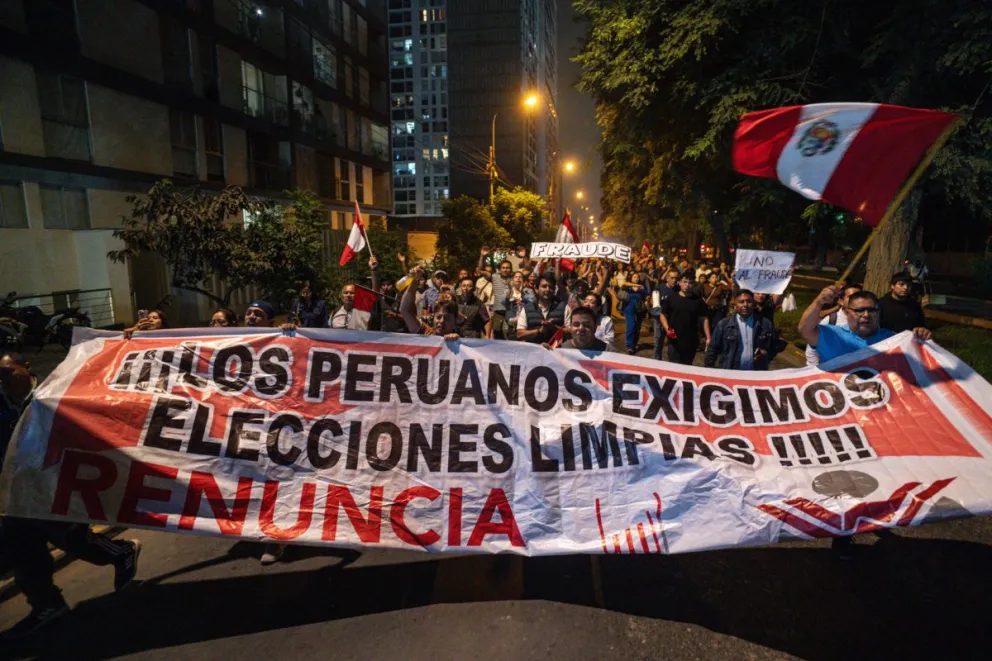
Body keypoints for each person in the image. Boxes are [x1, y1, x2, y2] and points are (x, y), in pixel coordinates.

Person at [1, 351, 141, 640]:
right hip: (19, 491)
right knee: (23, 549)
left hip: (57, 482)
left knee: (72, 538)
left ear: (26, 367)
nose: (3, 380)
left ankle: (121, 551)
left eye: (7, 372)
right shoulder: (1, 406)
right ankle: (46, 604)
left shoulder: (57, 392)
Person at [799, 286, 932, 364]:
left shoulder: (892, 340)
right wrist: (818, 302)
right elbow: (804, 329)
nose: (866, 315)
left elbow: (920, 362)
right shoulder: (831, 335)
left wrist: (922, 337)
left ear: (878, 312)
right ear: (846, 312)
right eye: (859, 310)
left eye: (872, 310)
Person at [704, 290, 780, 370]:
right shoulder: (724, 324)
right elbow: (712, 350)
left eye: (749, 301)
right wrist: (709, 371)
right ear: (735, 305)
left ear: (753, 303)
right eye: (741, 302)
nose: (745, 305)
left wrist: (766, 354)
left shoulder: (765, 323)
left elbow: (775, 346)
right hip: (731, 374)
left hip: (756, 375)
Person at [660, 273, 712, 365]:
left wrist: (708, 337)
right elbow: (663, 314)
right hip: (674, 339)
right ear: (679, 283)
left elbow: (705, 318)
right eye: (684, 282)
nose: (687, 285)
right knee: (674, 366)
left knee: (686, 367)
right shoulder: (672, 298)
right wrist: (667, 329)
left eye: (690, 283)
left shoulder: (698, 300)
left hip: (691, 340)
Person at [805, 284, 860, 367]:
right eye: (851, 297)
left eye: (859, 296)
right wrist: (814, 370)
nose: (856, 300)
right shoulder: (831, 320)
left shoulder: (866, 321)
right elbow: (811, 349)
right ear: (840, 301)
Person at [401, 267, 461, 339]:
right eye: (438, 317)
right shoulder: (427, 333)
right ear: (433, 317)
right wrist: (414, 281)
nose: (441, 321)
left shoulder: (463, 339)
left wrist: (457, 342)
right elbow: (405, 311)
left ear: (455, 320)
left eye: (447, 318)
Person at [517, 275, 571, 344]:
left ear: (554, 290)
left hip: (556, 352)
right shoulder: (527, 308)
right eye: (544, 286)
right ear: (536, 289)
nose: (547, 289)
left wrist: (554, 328)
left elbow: (570, 333)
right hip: (533, 352)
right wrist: (539, 331)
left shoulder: (564, 307)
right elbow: (520, 334)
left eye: (551, 287)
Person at [478, 247, 513, 339]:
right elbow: (480, 271)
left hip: (512, 312)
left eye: (508, 268)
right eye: (503, 268)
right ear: (500, 269)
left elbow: (528, 270)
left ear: (511, 269)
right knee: (498, 335)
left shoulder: (516, 278)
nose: (505, 270)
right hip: (498, 312)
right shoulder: (494, 277)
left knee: (511, 335)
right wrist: (482, 256)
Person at [652, 270, 679, 360]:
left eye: (676, 278)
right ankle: (657, 360)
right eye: (672, 278)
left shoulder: (678, 289)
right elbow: (653, 301)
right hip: (659, 319)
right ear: (667, 278)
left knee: (672, 341)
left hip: (672, 320)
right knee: (658, 341)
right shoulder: (660, 288)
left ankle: (672, 361)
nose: (674, 280)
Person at [620, 272, 649, 355]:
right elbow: (624, 283)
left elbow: (646, 295)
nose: (636, 278)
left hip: (639, 309)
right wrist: (637, 285)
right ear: (631, 278)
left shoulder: (642, 287)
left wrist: (647, 300)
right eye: (634, 277)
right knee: (631, 325)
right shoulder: (628, 287)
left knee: (637, 327)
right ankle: (629, 345)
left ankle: (634, 344)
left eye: (637, 277)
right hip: (629, 308)